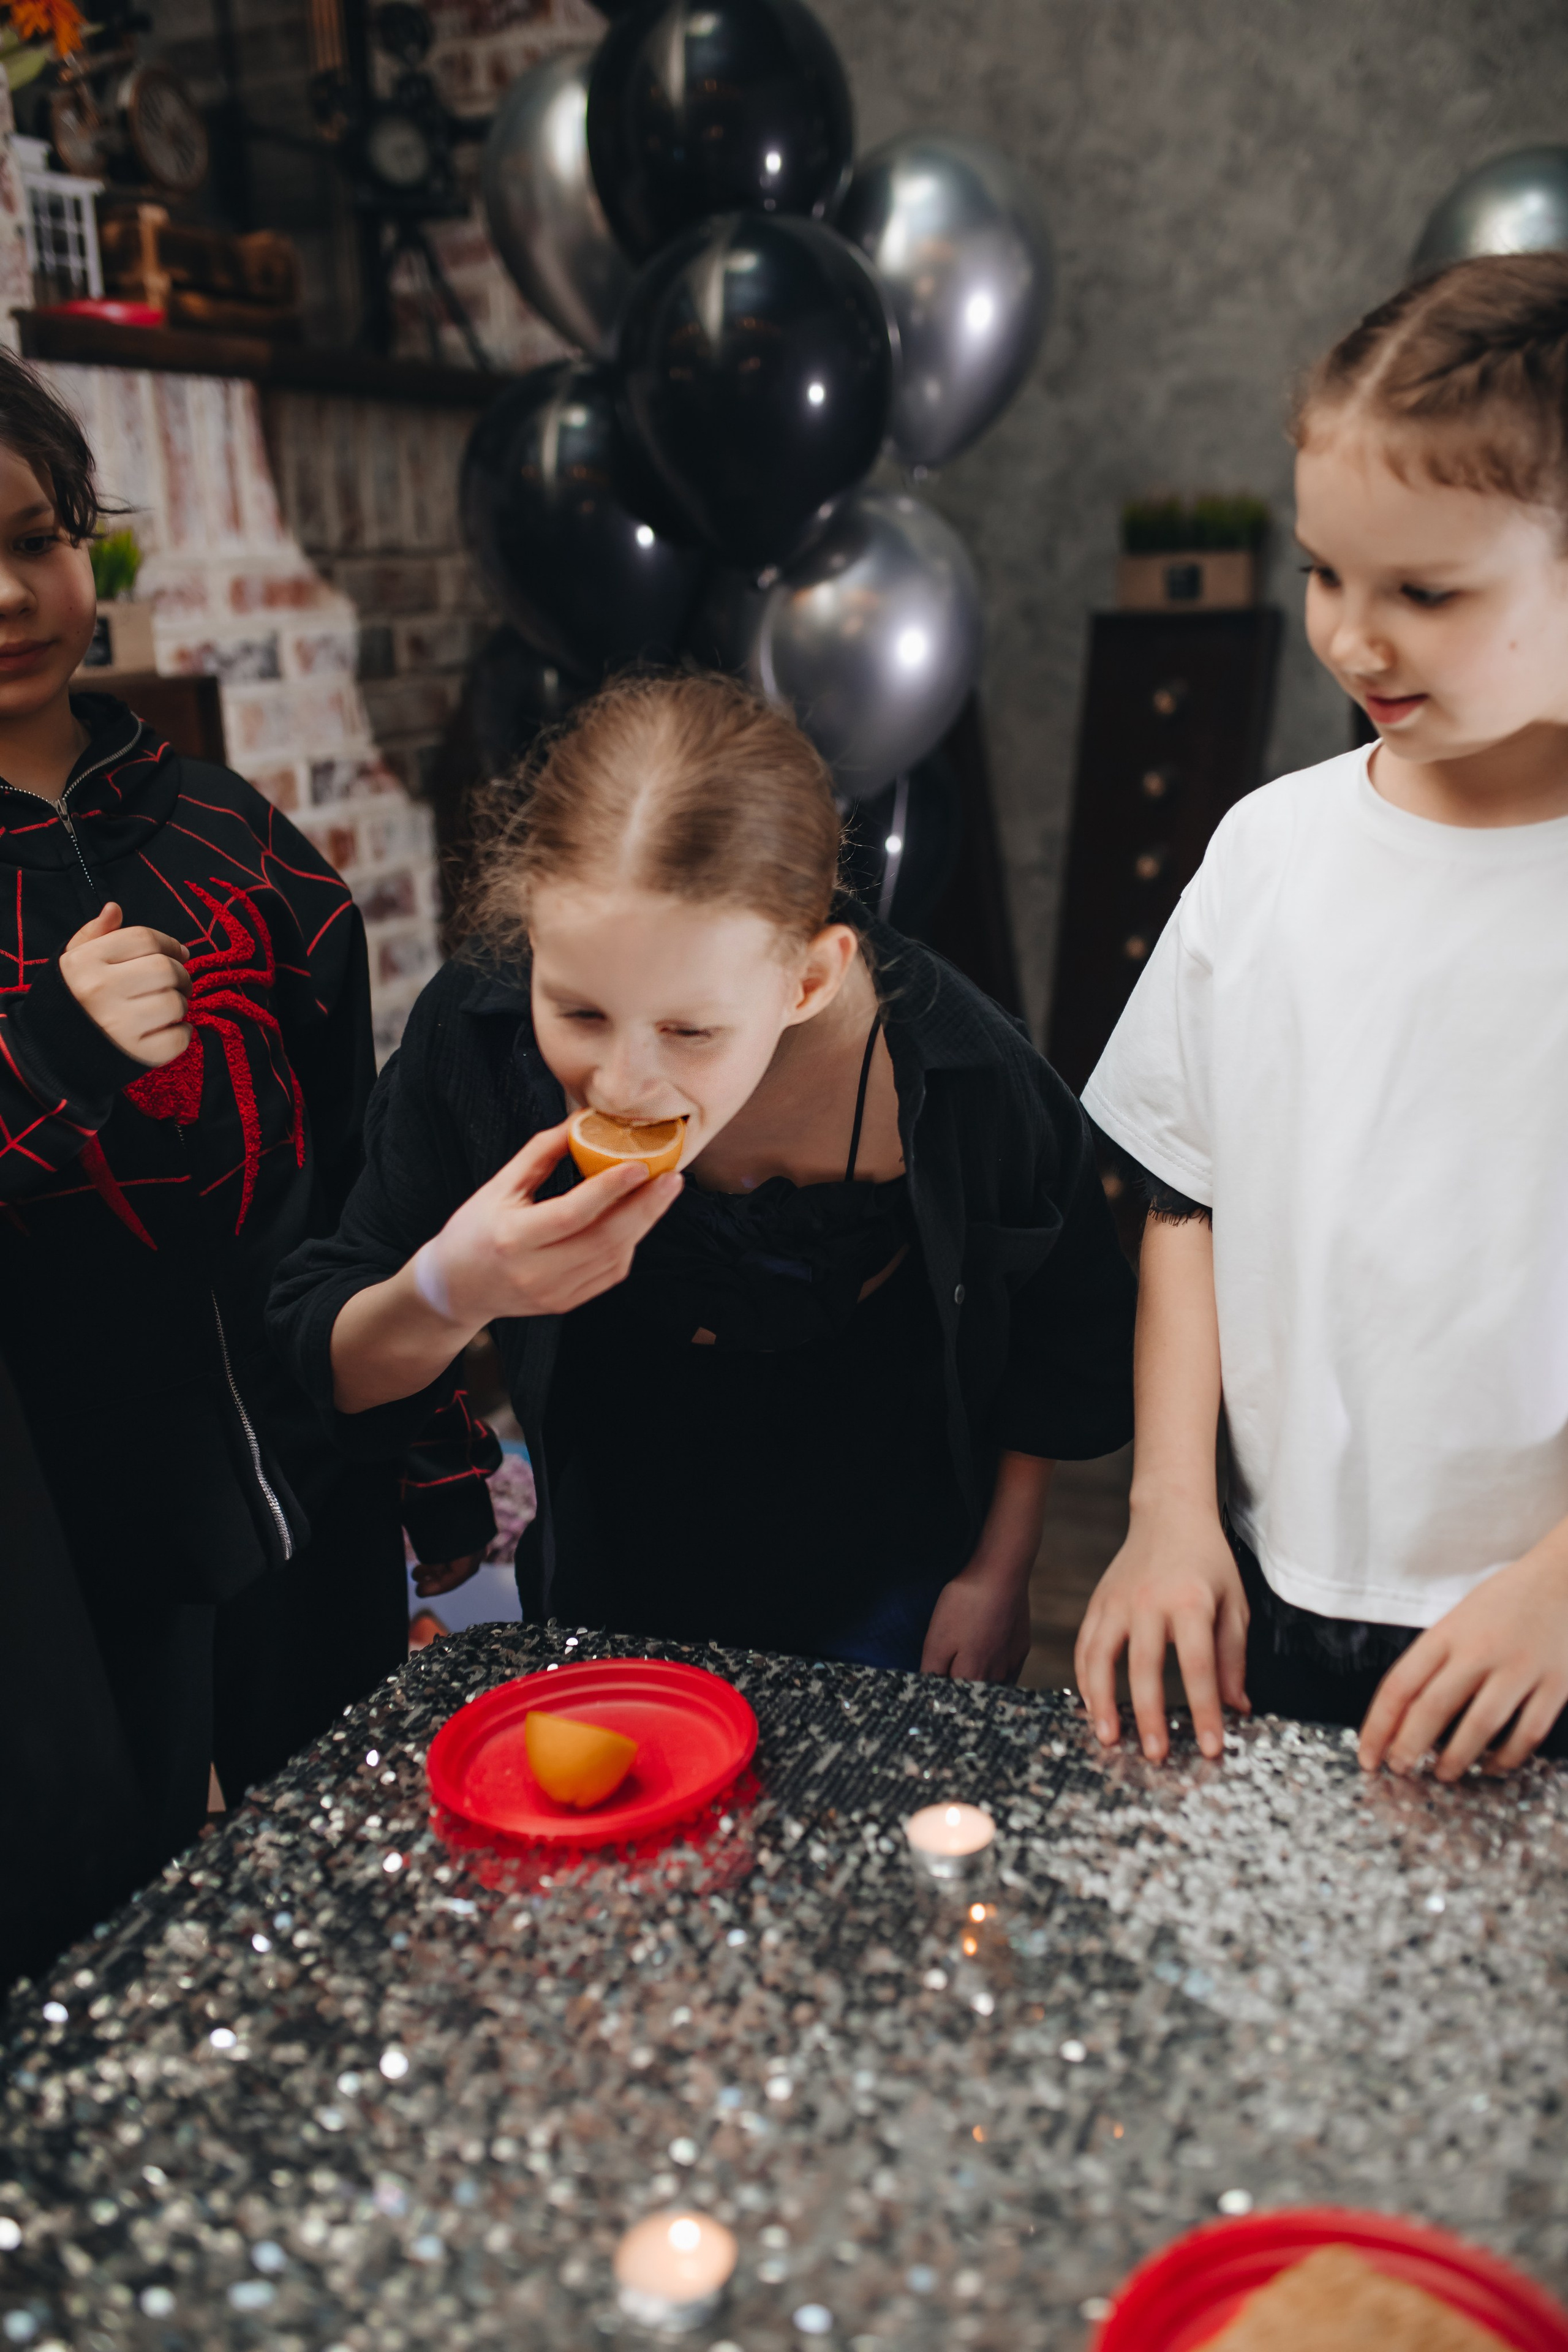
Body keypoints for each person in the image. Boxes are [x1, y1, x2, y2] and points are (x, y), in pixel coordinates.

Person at [270, 671, 1135, 1676]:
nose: (626, 1080)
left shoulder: (966, 1076)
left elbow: (1056, 1340)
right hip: (609, 1596)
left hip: (896, 1602)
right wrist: (453, 1290)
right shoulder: (479, 1039)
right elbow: (324, 1358)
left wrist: (999, 1573)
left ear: (808, 980)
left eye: (691, 1029)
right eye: (581, 1012)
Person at [0, 353, 496, 1875]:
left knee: (348, 1872)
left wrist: (433, 1451)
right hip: (66, 1561)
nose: (8, 595)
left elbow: (362, 1180)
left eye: (32, 539)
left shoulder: (231, 834)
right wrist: (54, 1053)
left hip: (306, 1484)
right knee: (106, 1929)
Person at [1076, 252, 1568, 1781]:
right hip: (1271, 1602)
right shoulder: (1264, 850)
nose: (1351, 637)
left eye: (1422, 590)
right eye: (1323, 571)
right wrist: (1166, 1508)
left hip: (1538, 1629)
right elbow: (1184, 1197)